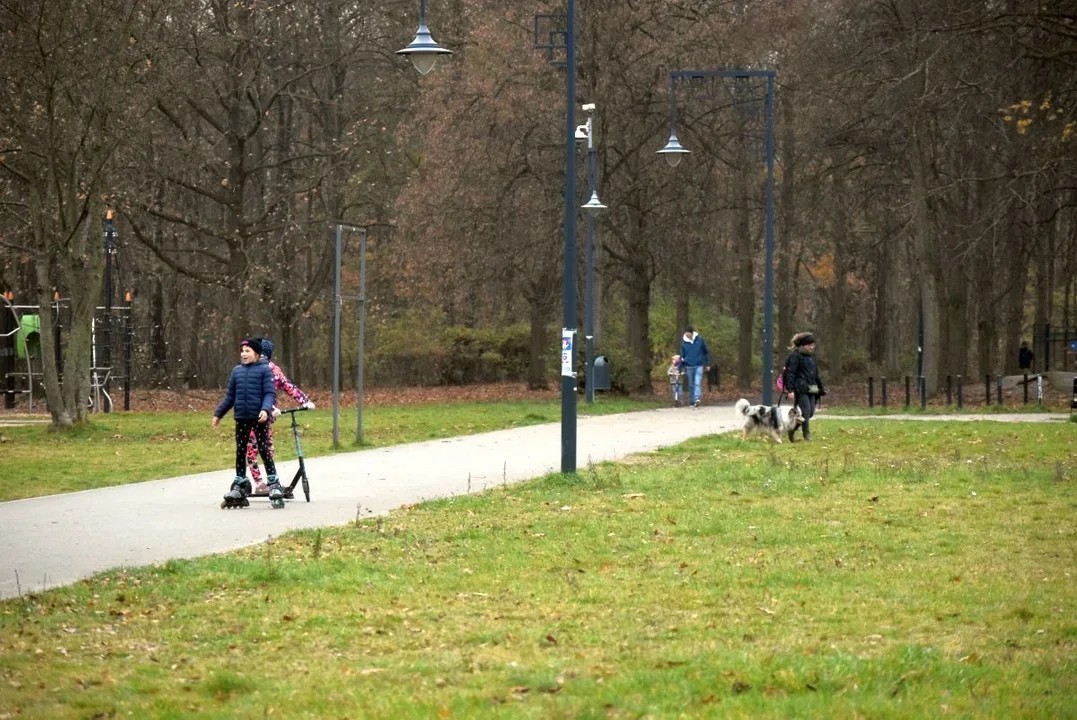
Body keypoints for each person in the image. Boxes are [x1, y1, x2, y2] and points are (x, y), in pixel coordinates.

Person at [212, 338, 281, 508]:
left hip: (259, 417)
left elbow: (269, 393)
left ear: (257, 354)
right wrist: (218, 413)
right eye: (242, 351)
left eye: (248, 351)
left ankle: (273, 484)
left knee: (264, 450)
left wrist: (265, 410)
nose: (244, 354)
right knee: (241, 450)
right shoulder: (237, 371)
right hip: (242, 417)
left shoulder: (265, 370)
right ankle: (240, 483)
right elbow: (230, 397)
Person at [245, 338, 316, 494]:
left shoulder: (273, 370)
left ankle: (271, 481)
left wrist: (305, 401)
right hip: (250, 415)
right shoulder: (251, 369)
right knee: (253, 448)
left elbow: (288, 386)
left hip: (265, 418)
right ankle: (259, 483)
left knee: (267, 448)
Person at [782, 332, 826, 442]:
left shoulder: (812, 357)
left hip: (812, 388)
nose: (812, 347)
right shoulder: (795, 356)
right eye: (810, 344)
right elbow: (790, 373)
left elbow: (815, 375)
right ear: (804, 345)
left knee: (810, 413)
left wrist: (821, 388)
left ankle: (792, 429)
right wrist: (790, 389)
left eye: (813, 344)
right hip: (800, 388)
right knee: (806, 411)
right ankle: (807, 435)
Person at [679, 325, 711, 408]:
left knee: (697, 382)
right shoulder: (684, 343)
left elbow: (705, 352)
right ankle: (692, 401)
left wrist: (707, 364)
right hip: (689, 366)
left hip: (699, 365)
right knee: (691, 384)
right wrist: (681, 367)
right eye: (686, 333)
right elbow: (682, 356)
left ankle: (697, 398)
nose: (687, 335)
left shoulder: (700, 341)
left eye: (688, 333)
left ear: (691, 333)